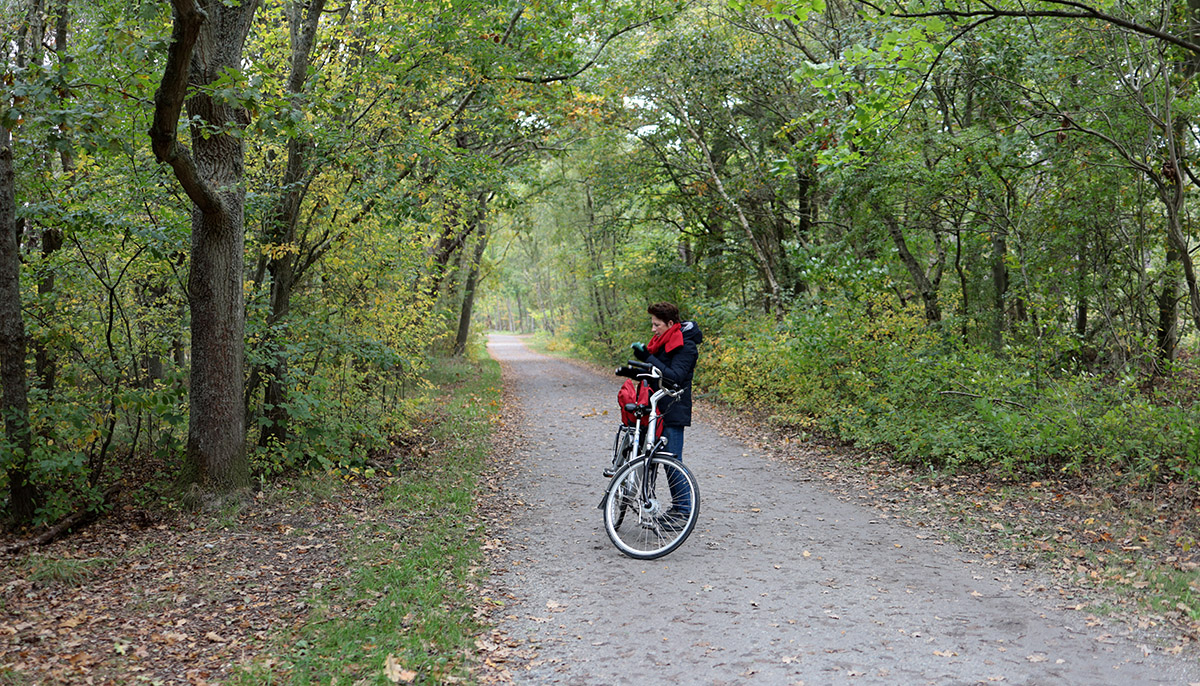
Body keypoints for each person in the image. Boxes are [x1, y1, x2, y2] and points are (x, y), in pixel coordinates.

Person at [630, 302, 703, 524]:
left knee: (672, 460)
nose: (653, 329)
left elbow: (674, 376)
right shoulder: (664, 341)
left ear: (670, 323)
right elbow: (657, 370)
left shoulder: (686, 345)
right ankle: (666, 508)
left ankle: (682, 512)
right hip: (655, 408)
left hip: (673, 407)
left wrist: (648, 359)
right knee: (654, 458)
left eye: (657, 324)